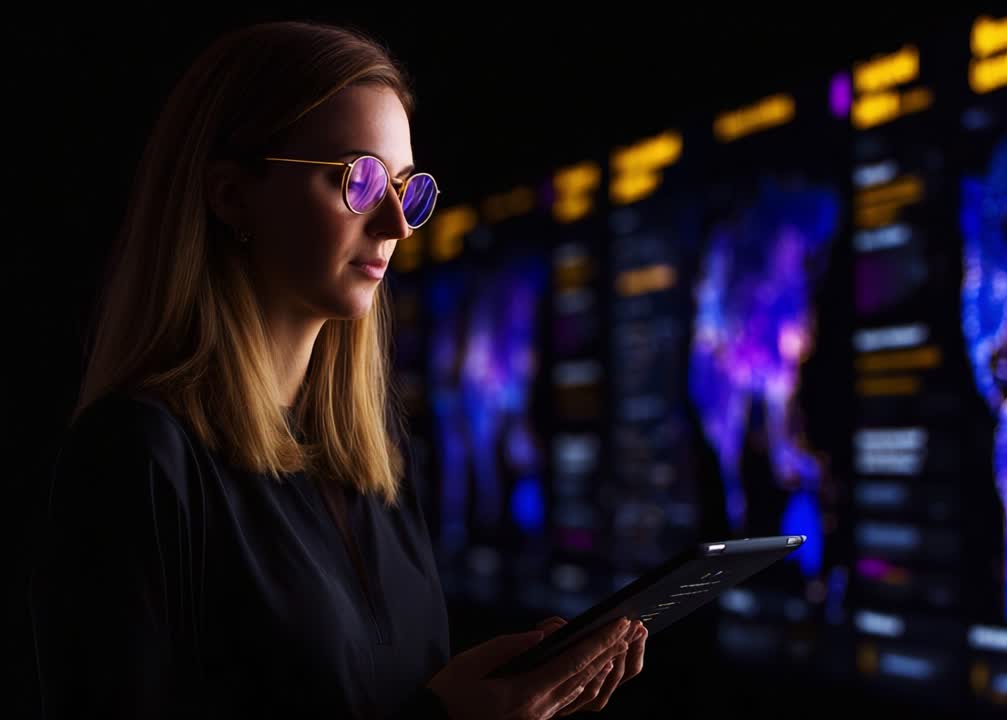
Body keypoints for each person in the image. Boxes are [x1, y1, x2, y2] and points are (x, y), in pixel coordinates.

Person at [27, 20, 646, 720]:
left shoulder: (372, 461)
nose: (397, 225)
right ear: (230, 196)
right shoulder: (135, 457)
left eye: (406, 187)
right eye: (360, 180)